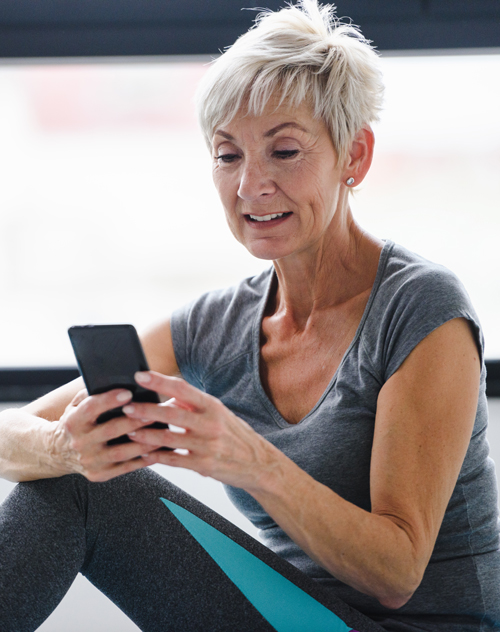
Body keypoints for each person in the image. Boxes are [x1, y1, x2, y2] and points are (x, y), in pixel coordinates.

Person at [0, 1, 498, 630]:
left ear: (355, 157)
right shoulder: (217, 325)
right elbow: (9, 440)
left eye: (284, 151)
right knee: (73, 481)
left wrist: (248, 458)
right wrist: (68, 447)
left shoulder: (421, 308)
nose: (250, 185)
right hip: (295, 616)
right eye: (228, 155)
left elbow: (397, 574)